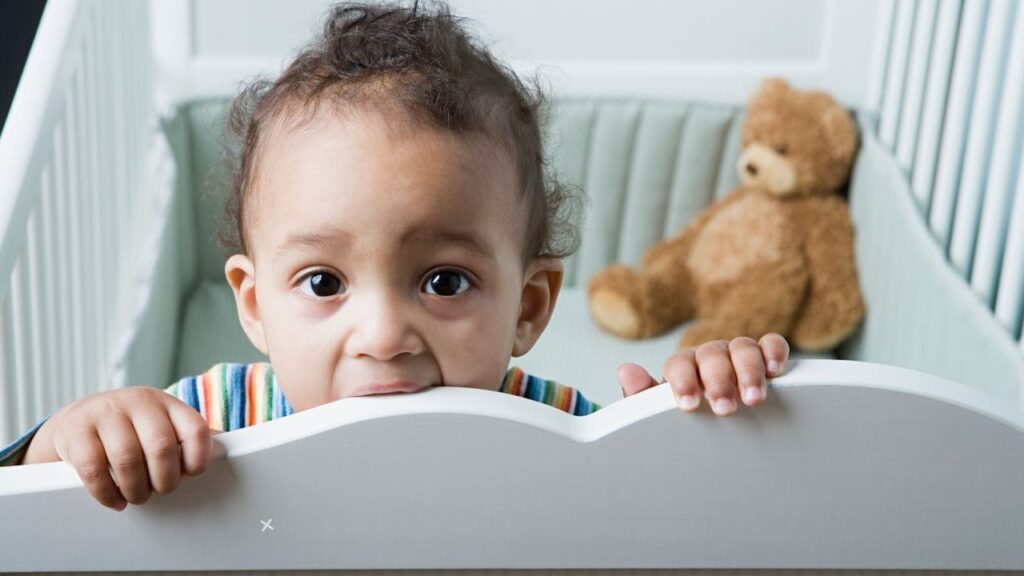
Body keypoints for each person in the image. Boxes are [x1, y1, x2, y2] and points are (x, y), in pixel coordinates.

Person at [0, 1, 790, 512]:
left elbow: (680, 516)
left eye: (444, 281)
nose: (383, 334)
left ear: (529, 307)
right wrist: (70, 438)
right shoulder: (209, 427)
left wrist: (706, 418)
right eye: (322, 282)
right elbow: (25, 503)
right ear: (252, 305)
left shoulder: (562, 435)